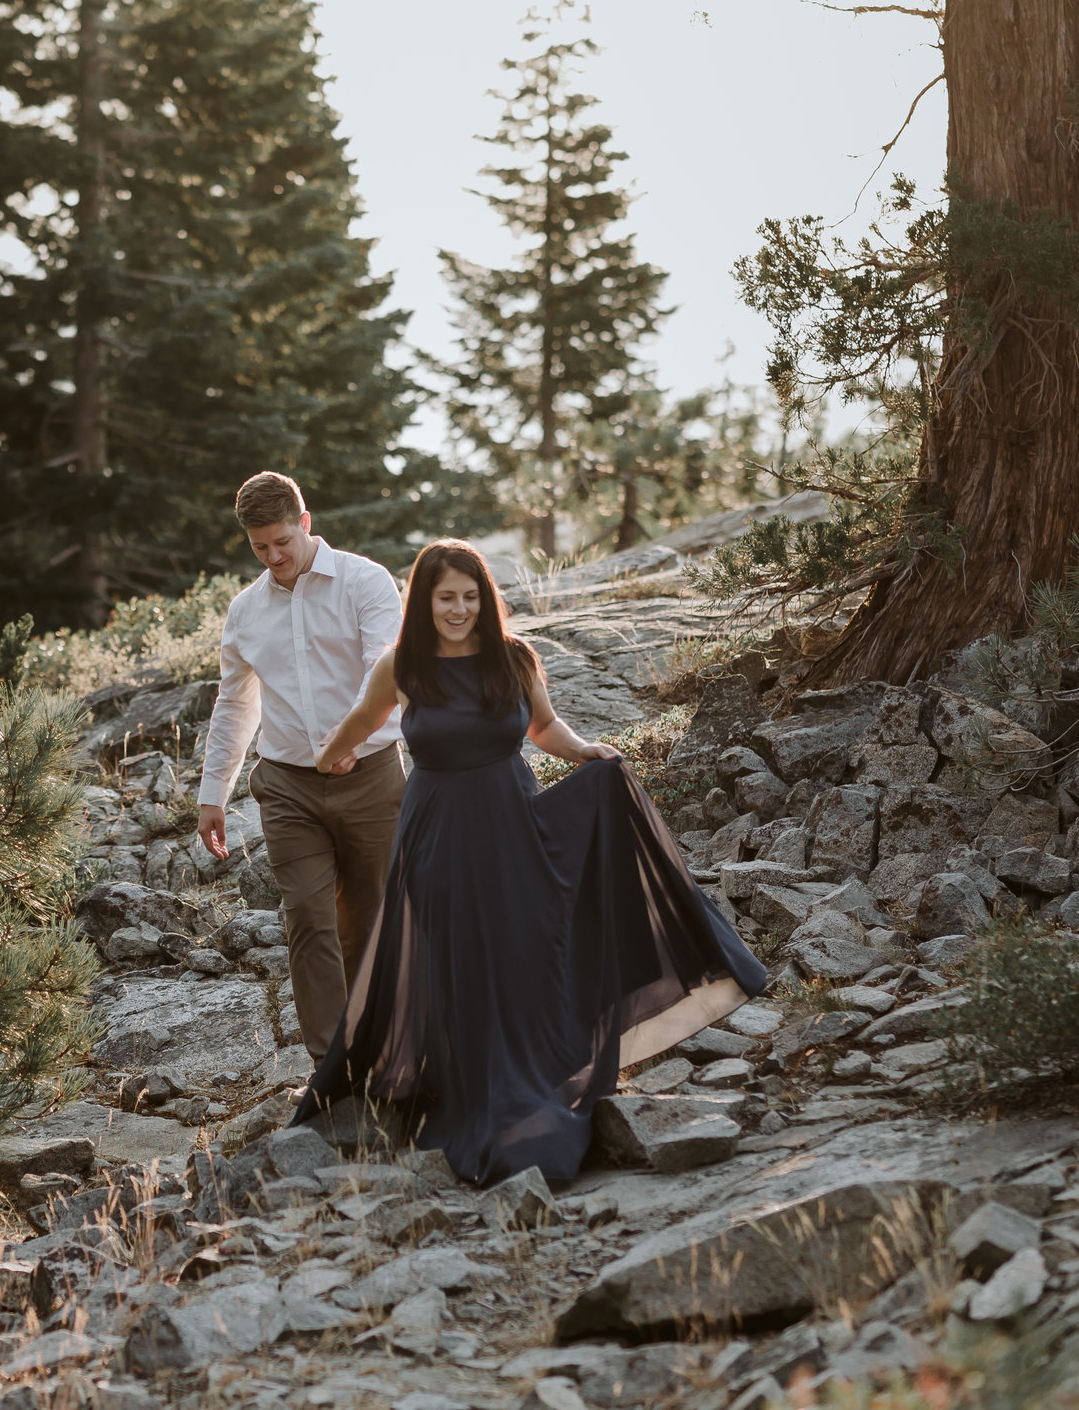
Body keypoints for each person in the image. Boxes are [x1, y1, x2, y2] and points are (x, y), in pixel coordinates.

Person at [296, 538, 767, 1188]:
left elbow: (543, 728)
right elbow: (356, 726)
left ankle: (533, 1074)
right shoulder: (401, 664)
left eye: (470, 596)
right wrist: (333, 756)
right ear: (423, 601)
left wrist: (585, 752)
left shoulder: (512, 659)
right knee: (458, 957)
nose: (458, 608)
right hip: (436, 835)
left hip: (512, 826)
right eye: (445, 597)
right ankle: (461, 1085)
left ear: (485, 599)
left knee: (519, 950)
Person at [196, 472, 406, 1060]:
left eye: (282, 540)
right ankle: (330, 1066)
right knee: (309, 919)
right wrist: (214, 793)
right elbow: (235, 702)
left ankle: (385, 1051)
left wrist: (346, 741)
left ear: (305, 521)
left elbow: (381, 674)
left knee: (372, 920)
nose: (274, 556)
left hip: (370, 777)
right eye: (259, 547)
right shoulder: (245, 611)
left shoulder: (367, 582)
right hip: (286, 786)